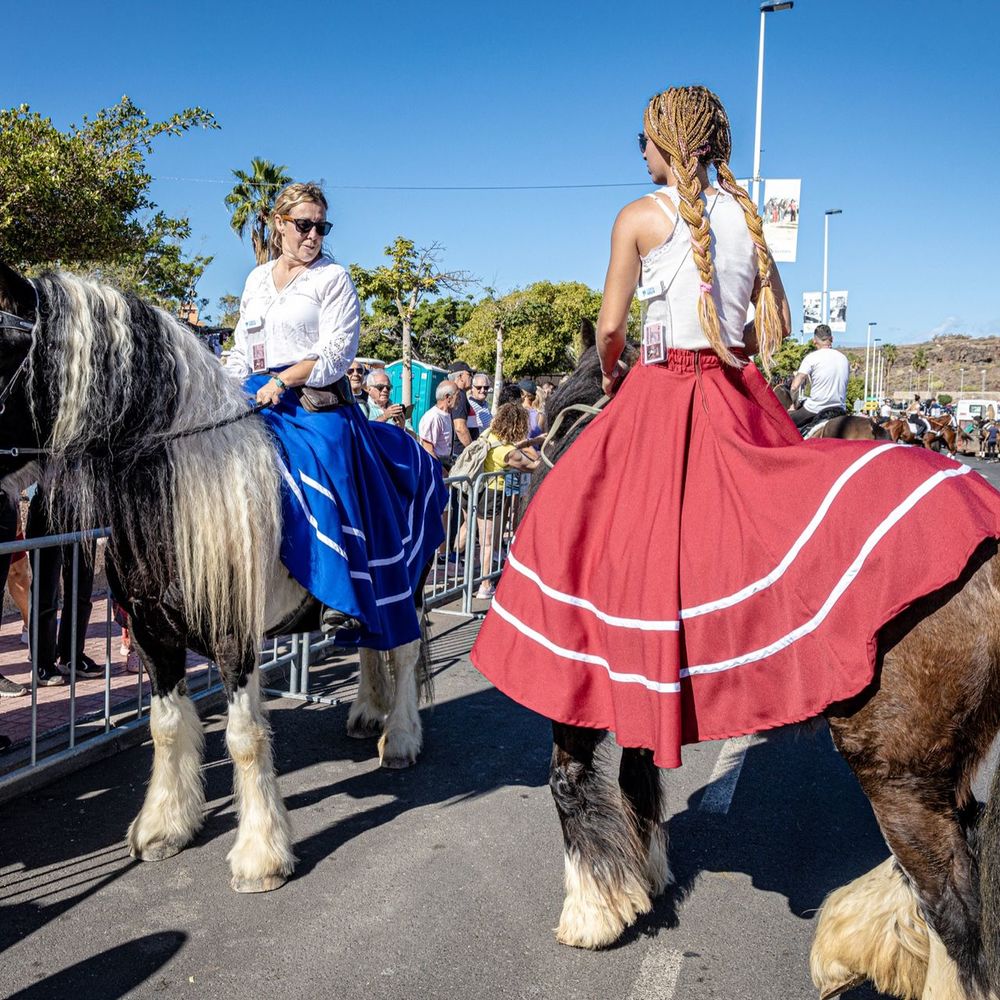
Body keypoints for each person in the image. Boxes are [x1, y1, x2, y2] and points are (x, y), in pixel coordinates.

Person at [469, 85, 1000, 771]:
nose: (641, 154)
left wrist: (613, 372)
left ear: (666, 141)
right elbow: (761, 328)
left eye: (644, 141)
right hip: (733, 389)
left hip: (661, 388)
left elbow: (610, 328)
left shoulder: (639, 215)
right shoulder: (750, 222)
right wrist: (724, 344)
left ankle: (619, 666)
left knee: (578, 512)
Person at [226, 181, 447, 647]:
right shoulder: (255, 281)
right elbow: (242, 350)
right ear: (278, 223)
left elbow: (336, 353)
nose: (313, 236)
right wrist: (224, 387)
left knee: (329, 461)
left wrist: (283, 381)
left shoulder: (332, 278)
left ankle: (340, 594)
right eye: (303, 225)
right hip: (257, 392)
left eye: (321, 227)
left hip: (315, 399)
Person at [474, 403, 540, 599]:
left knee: (481, 539)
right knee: (487, 542)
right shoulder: (507, 451)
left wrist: (530, 442)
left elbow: (509, 446)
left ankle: (479, 578)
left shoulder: (488, 435)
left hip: (481, 490)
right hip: (493, 493)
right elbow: (533, 466)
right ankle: (485, 585)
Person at [788, 325, 849, 430]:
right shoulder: (844, 358)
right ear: (832, 339)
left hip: (815, 409)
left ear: (814, 341)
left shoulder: (811, 358)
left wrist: (794, 405)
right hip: (840, 410)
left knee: (784, 423)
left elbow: (794, 387)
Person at [418, 381, 457, 465]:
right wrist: (441, 470)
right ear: (448, 397)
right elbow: (428, 450)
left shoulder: (447, 415)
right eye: (458, 396)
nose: (459, 399)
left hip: (446, 463)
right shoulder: (433, 417)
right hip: (436, 466)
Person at [447, 361, 476, 450]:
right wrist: (472, 450)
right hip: (460, 451)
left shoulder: (454, 394)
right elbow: (460, 427)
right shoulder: (459, 395)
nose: (472, 377)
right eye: (469, 374)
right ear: (460, 377)